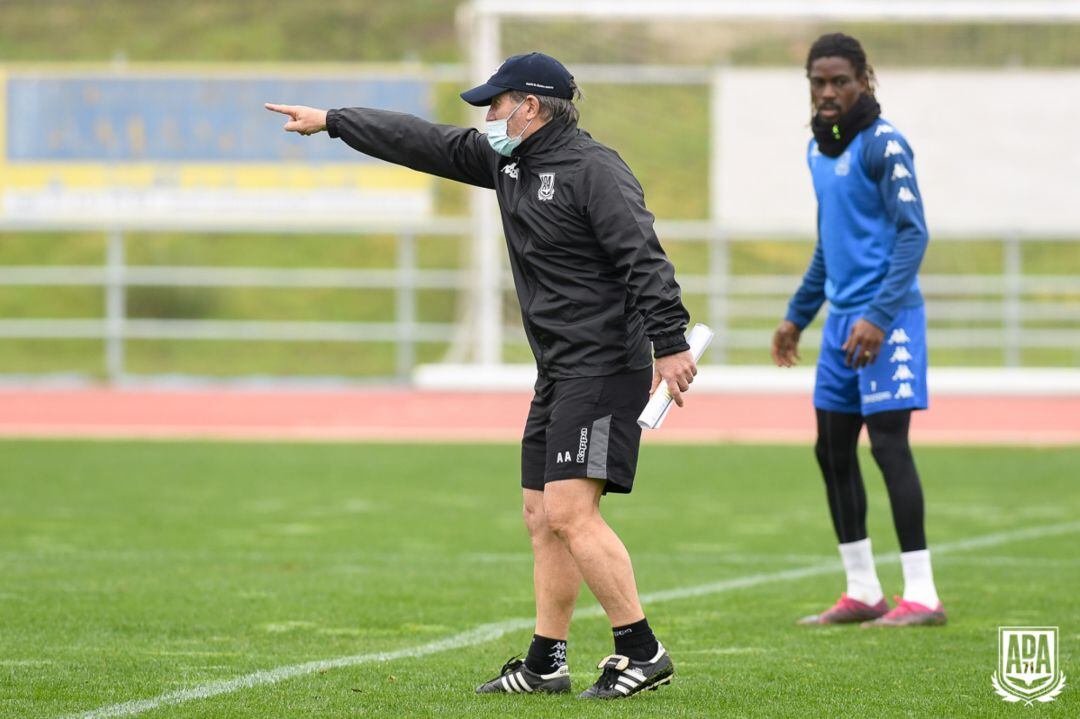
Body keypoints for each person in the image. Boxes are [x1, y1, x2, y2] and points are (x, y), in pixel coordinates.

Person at [266, 51, 695, 696]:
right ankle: (547, 660)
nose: (486, 116)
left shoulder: (593, 170)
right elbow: (424, 142)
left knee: (572, 513)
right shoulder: (508, 160)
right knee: (539, 513)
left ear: (529, 105)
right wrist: (334, 121)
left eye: (494, 103)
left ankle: (642, 650)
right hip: (559, 366)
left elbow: (643, 256)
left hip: (604, 364)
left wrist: (670, 341)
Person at [771, 33, 945, 627]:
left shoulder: (885, 144)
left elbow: (912, 233)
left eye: (839, 81)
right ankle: (863, 590)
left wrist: (877, 315)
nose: (827, 92)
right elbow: (830, 246)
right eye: (817, 82)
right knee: (831, 450)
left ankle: (921, 595)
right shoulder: (818, 152)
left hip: (887, 320)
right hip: (842, 324)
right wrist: (798, 315)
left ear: (863, 80)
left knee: (889, 447)